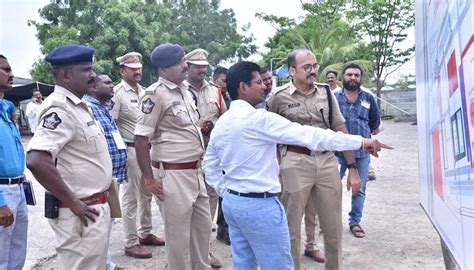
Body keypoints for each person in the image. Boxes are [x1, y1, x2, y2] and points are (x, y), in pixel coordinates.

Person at [202, 61, 388, 270]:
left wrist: (225, 192)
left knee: (243, 263)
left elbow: (209, 164)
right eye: (257, 82)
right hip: (260, 206)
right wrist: (361, 142)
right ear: (243, 87)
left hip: (234, 203)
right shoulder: (259, 120)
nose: (264, 86)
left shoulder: (224, 122)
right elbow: (311, 135)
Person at [267, 48, 361, 270]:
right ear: (292, 70)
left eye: (315, 66)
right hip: (295, 162)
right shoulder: (278, 98)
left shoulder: (326, 93)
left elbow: (340, 130)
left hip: (327, 162)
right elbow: (269, 137)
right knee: (290, 228)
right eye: (307, 67)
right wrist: (276, 169)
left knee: (333, 228)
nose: (312, 71)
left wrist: (352, 167)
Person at [26, 44, 113, 269]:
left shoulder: (80, 106)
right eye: (86, 70)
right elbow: (36, 160)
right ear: (65, 75)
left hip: (93, 208)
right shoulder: (60, 109)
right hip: (81, 213)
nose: (92, 75)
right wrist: (74, 202)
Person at [134, 43, 216, 269]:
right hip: (172, 175)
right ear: (163, 69)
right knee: (178, 239)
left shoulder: (184, 92)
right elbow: (141, 140)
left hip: (195, 172)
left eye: (183, 61)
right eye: (179, 63)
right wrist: (150, 179)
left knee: (202, 231)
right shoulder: (155, 95)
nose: (184, 66)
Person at [109, 52, 164, 259]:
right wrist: (119, 154)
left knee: (146, 193)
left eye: (139, 68)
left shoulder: (145, 91)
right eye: (132, 68)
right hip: (130, 149)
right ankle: (130, 241)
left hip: (147, 150)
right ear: (122, 71)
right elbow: (111, 125)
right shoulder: (117, 93)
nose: (137, 71)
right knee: (130, 197)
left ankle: (145, 233)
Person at [184, 48, 224, 268]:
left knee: (208, 204)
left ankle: (205, 251)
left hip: (211, 154)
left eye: (204, 66)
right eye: (197, 66)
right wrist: (196, 128)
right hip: (185, 157)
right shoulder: (179, 91)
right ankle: (184, 254)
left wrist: (212, 127)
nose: (201, 70)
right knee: (184, 207)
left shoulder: (215, 91)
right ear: (187, 67)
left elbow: (225, 119)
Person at [84, 72, 127, 270]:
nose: (112, 85)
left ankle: (106, 263)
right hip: (100, 178)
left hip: (112, 176)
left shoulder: (101, 107)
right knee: (99, 227)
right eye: (107, 83)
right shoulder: (88, 108)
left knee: (107, 224)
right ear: (93, 87)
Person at [334, 63, 381, 238]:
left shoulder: (368, 98)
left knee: (359, 189)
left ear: (360, 78)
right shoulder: (333, 98)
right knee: (330, 187)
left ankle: (355, 222)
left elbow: (375, 124)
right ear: (342, 77)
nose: (353, 78)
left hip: (362, 153)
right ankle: (329, 222)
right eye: (349, 75)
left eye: (356, 75)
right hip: (336, 153)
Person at [0, 54, 28, 270]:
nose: (11, 74)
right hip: (3, 191)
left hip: (18, 186)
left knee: (18, 249)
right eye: (6, 69)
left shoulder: (7, 109)